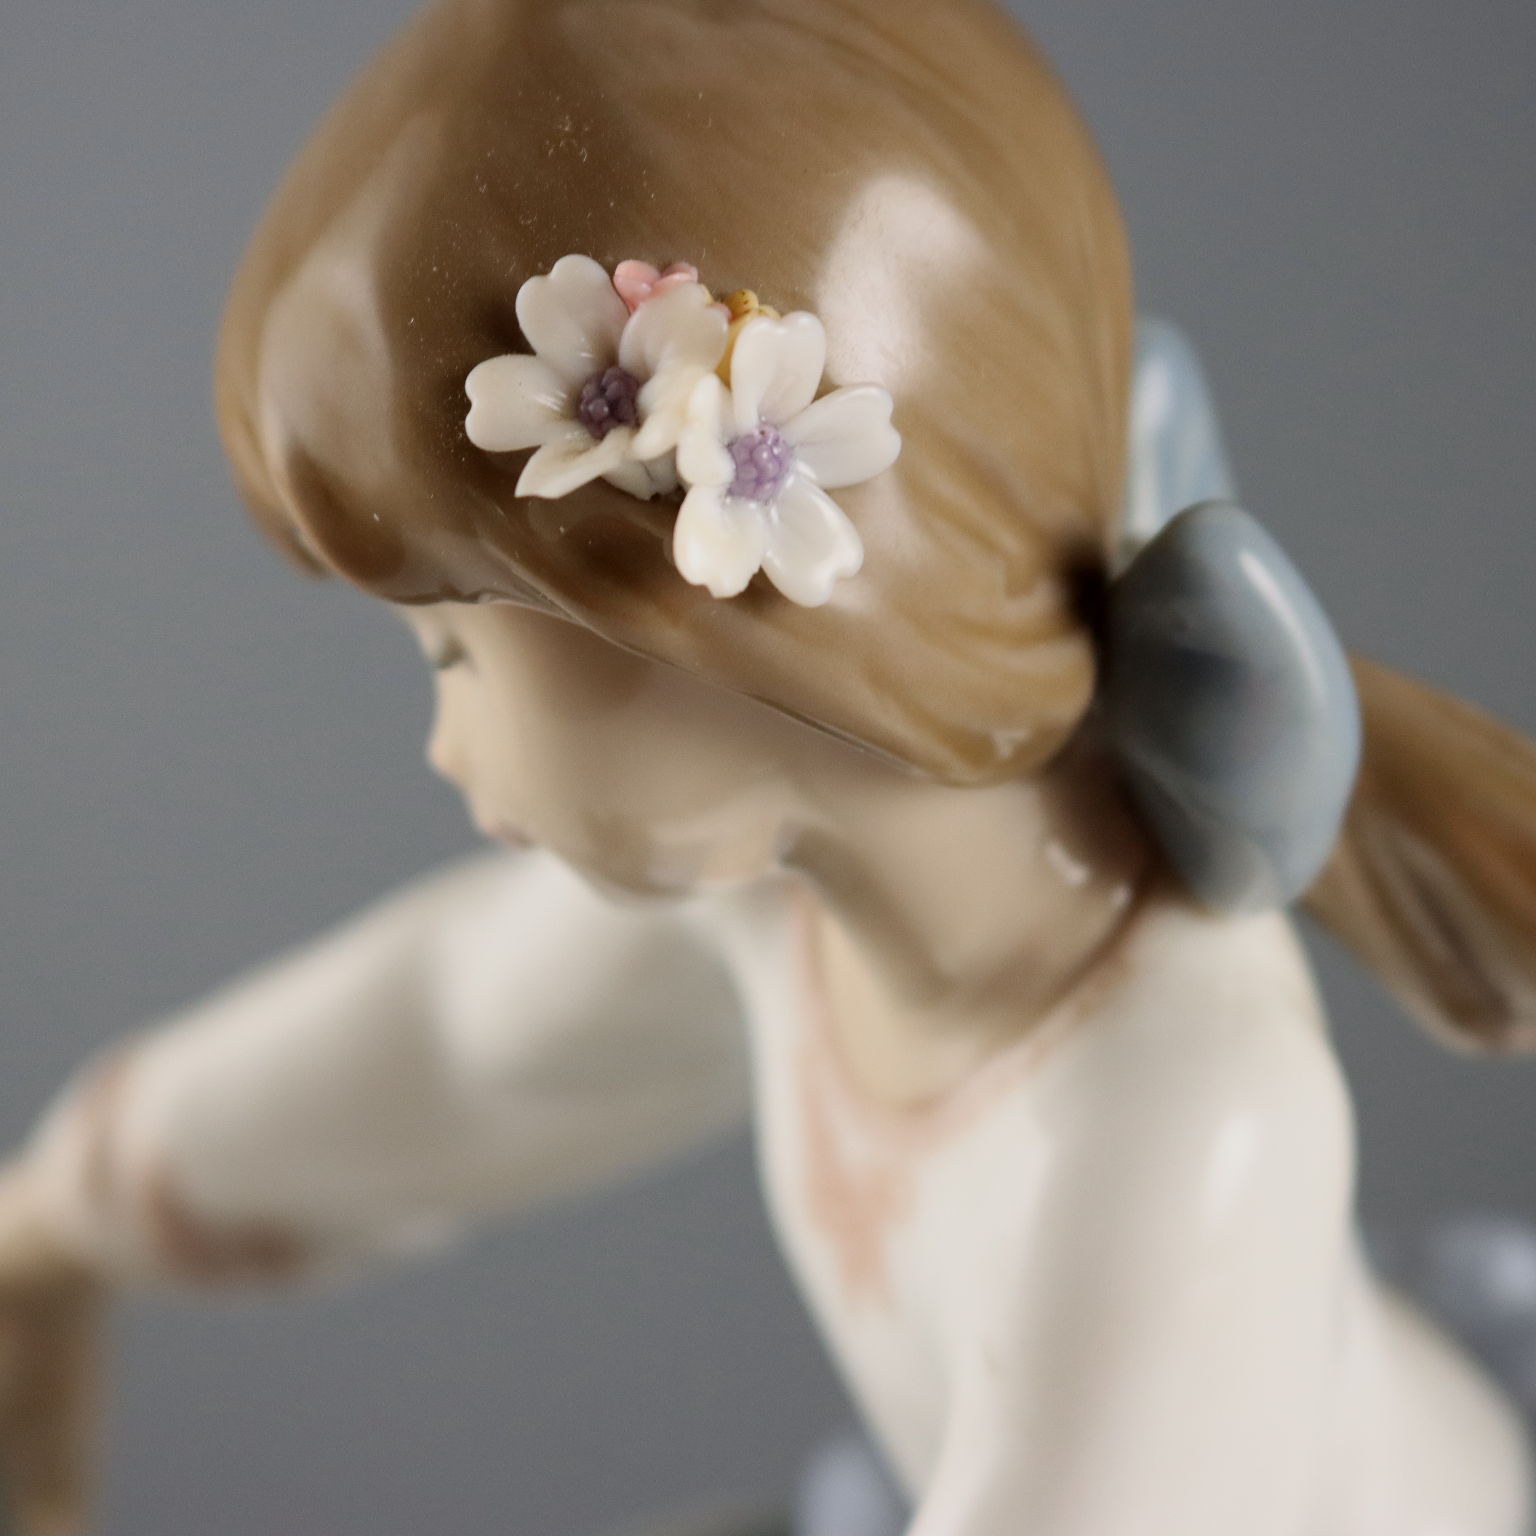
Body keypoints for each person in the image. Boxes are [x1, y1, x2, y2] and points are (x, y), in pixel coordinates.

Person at [2, 0, 1534, 1531]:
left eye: (456, 655)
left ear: (711, 616)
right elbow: (454, 1040)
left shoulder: (1185, 1122)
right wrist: (60, 1217)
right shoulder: (786, 902)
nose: (443, 743)